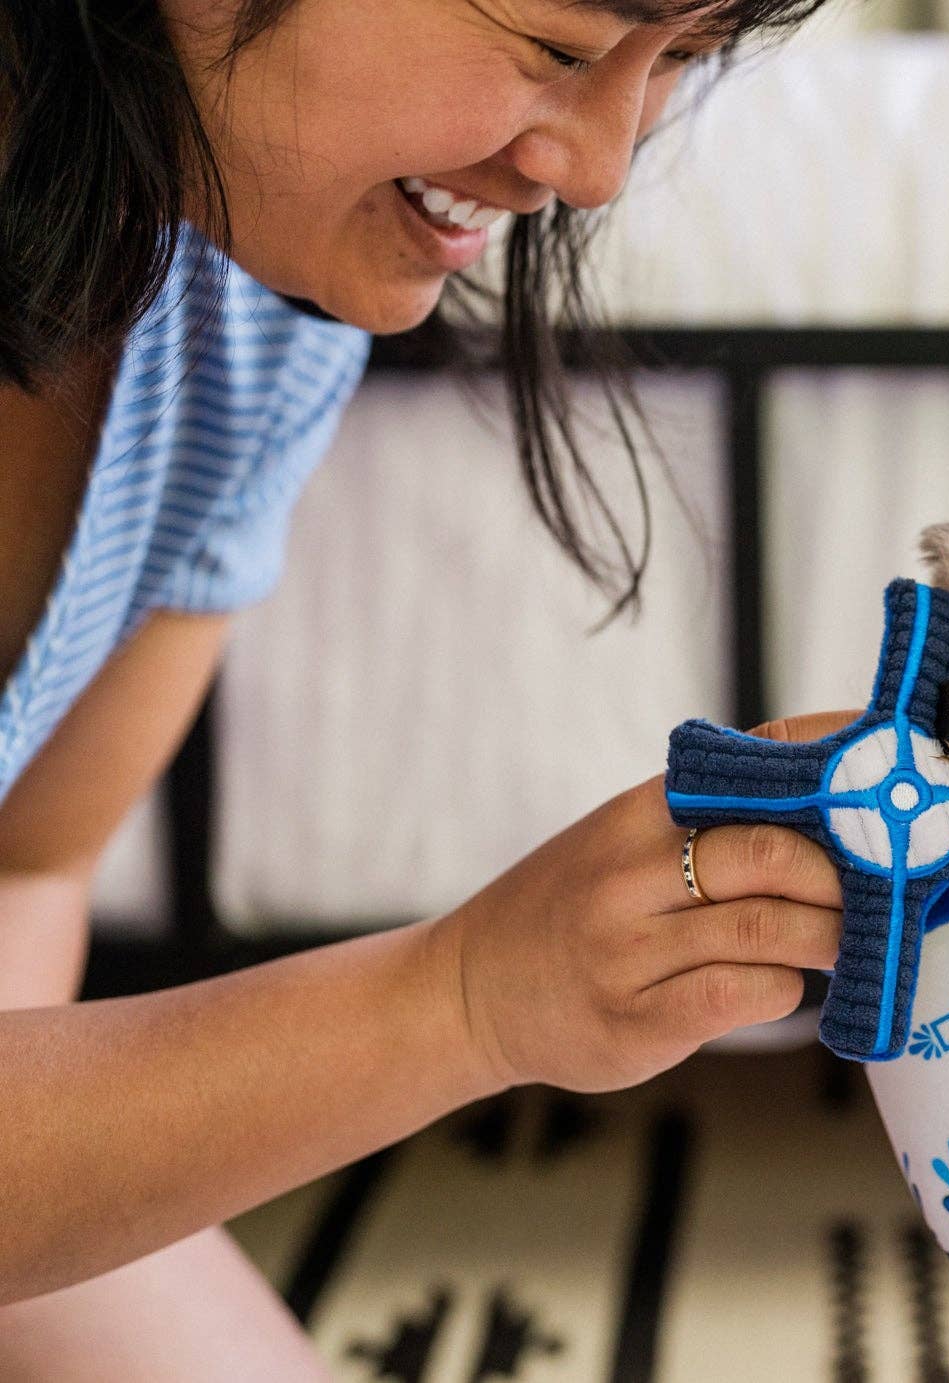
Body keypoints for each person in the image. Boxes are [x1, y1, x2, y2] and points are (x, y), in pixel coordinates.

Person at [0, 0, 857, 1374]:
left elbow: (19, 882)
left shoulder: (250, 325)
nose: (599, 167)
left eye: (681, 64)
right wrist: (468, 1000)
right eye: (562, 46)